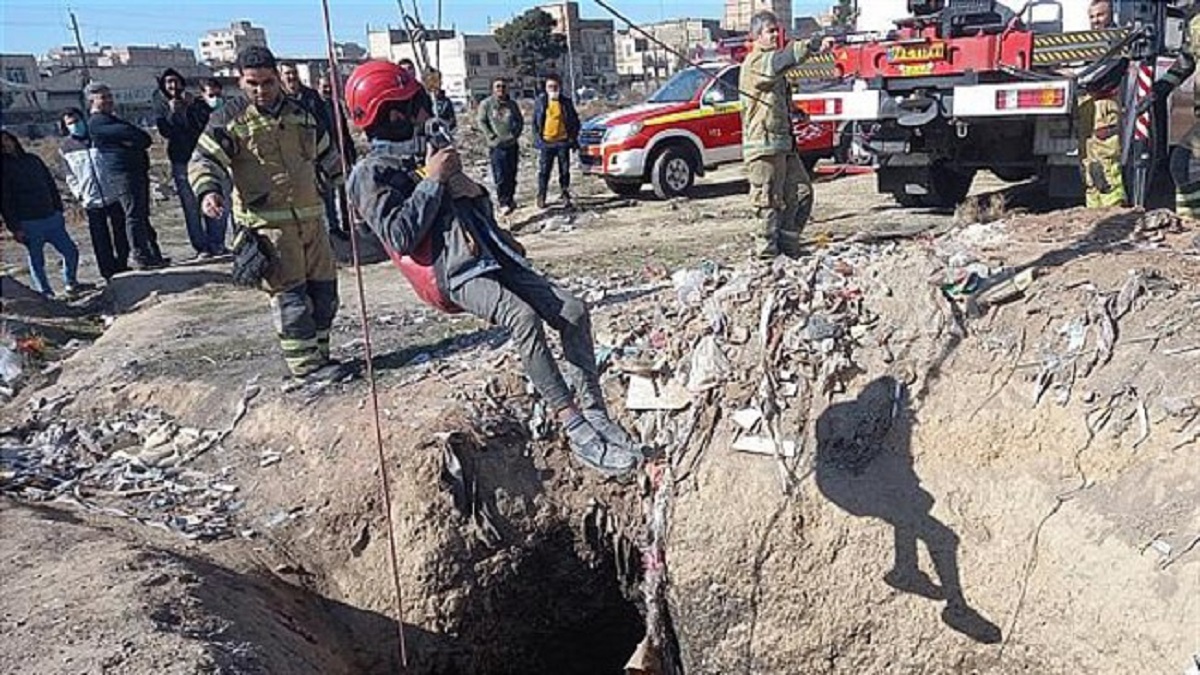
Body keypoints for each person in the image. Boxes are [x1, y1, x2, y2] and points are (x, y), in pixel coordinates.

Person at [342, 60, 641, 478]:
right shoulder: (370, 174)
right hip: (456, 272)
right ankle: (575, 426)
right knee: (522, 319)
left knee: (572, 311)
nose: (422, 114)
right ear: (390, 112)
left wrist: (470, 190)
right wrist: (432, 181)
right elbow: (400, 235)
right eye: (413, 106)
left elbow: (467, 204)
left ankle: (595, 412)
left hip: (489, 253)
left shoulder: (423, 154)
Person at [190, 46, 347, 381]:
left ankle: (321, 356)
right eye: (252, 83)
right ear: (240, 81)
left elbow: (329, 158)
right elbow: (204, 161)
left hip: (312, 223)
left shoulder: (300, 115)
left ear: (278, 78)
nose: (261, 90)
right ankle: (305, 369)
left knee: (324, 295)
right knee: (291, 300)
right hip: (269, 230)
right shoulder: (229, 120)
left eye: (267, 82)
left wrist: (351, 188)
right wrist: (209, 192)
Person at [739, 11, 825, 259]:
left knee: (801, 193)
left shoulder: (774, 66)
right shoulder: (756, 62)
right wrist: (809, 46)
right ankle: (766, 258)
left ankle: (788, 249)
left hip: (783, 145)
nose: (776, 35)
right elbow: (780, 61)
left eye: (777, 30)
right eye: (770, 31)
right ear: (756, 36)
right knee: (768, 202)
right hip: (763, 147)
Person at [86, 81, 169, 269]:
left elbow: (143, 138)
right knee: (133, 215)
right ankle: (140, 256)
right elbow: (132, 135)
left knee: (141, 214)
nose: (108, 100)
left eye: (109, 96)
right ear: (92, 100)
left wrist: (129, 141)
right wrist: (129, 140)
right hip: (122, 174)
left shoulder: (113, 119)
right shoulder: (97, 123)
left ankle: (153, 254)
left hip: (136, 170)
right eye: (103, 97)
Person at [1, 130, 92, 297]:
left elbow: (50, 184)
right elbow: (4, 201)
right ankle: (46, 293)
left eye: (7, 139)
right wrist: (15, 227)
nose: (6, 144)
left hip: (51, 217)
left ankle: (71, 282)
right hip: (28, 221)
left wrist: (58, 210)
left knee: (70, 251)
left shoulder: (33, 160)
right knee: (37, 261)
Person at [156, 68, 228, 258]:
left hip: (205, 157)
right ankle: (201, 246)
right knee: (191, 206)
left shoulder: (196, 103)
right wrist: (173, 112)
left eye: (175, 81)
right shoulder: (162, 107)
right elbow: (165, 131)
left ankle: (217, 243)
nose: (173, 86)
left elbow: (206, 123)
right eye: (168, 82)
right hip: (181, 160)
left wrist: (192, 107)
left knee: (214, 198)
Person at [59, 107, 131, 281]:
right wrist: (80, 194)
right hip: (91, 199)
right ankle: (108, 271)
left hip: (112, 194)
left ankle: (122, 263)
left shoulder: (97, 138)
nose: (75, 125)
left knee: (120, 233)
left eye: (77, 121)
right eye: (70, 123)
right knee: (100, 238)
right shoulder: (65, 148)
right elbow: (69, 175)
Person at [317, 71, 358, 236]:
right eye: (324, 87)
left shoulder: (336, 105)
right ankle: (334, 227)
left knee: (344, 191)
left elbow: (345, 130)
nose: (327, 90)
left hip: (341, 153)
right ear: (318, 87)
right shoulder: (317, 106)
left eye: (330, 87)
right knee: (329, 194)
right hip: (326, 156)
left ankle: (347, 224)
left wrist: (350, 152)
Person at [531, 73, 580, 209]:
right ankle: (542, 195)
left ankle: (565, 194)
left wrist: (573, 139)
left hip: (563, 142)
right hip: (546, 143)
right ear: (546, 88)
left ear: (560, 87)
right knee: (544, 171)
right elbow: (535, 123)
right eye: (550, 86)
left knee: (564, 171)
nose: (553, 89)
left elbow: (575, 121)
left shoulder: (566, 102)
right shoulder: (541, 102)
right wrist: (537, 140)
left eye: (555, 86)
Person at [477, 78, 524, 215]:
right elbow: (481, 121)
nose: (501, 89)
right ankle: (503, 202)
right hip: (497, 146)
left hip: (512, 145)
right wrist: (491, 136)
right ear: (493, 89)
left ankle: (510, 199)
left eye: (503, 86)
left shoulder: (512, 105)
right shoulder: (486, 104)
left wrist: (515, 134)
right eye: (498, 86)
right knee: (500, 176)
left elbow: (519, 121)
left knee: (511, 174)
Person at [423, 68, 457, 132]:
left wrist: (444, 125)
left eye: (435, 80)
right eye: (430, 80)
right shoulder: (421, 101)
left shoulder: (446, 102)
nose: (433, 83)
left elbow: (453, 122)